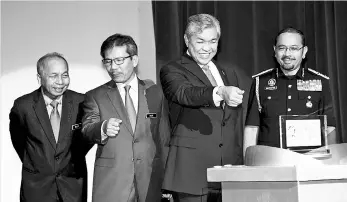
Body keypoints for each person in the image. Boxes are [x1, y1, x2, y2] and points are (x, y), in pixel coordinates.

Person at [160, 13, 245, 202]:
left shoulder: (228, 72)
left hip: (229, 172)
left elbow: (233, 123)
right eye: (200, 41)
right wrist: (219, 92)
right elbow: (185, 94)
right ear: (186, 40)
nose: (207, 48)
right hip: (192, 172)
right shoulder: (172, 69)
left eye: (213, 41)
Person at [81, 33, 170, 202]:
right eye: (108, 61)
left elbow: (164, 138)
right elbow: (86, 129)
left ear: (134, 60)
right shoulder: (95, 96)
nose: (113, 67)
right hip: (113, 184)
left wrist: (168, 180)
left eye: (119, 60)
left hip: (151, 180)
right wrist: (102, 128)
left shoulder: (155, 92)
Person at [9, 52, 91, 202]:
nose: (60, 81)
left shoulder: (82, 102)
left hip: (73, 187)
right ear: (39, 78)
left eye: (65, 75)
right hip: (37, 188)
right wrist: (40, 164)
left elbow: (87, 139)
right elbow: (20, 143)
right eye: (53, 76)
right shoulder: (23, 106)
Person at [244, 27, 337, 154]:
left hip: (309, 162)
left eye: (294, 48)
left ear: (304, 52)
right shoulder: (260, 82)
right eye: (282, 48)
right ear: (275, 51)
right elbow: (251, 128)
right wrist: (248, 165)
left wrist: (329, 164)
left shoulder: (320, 82)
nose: (287, 54)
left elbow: (329, 128)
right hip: (269, 163)